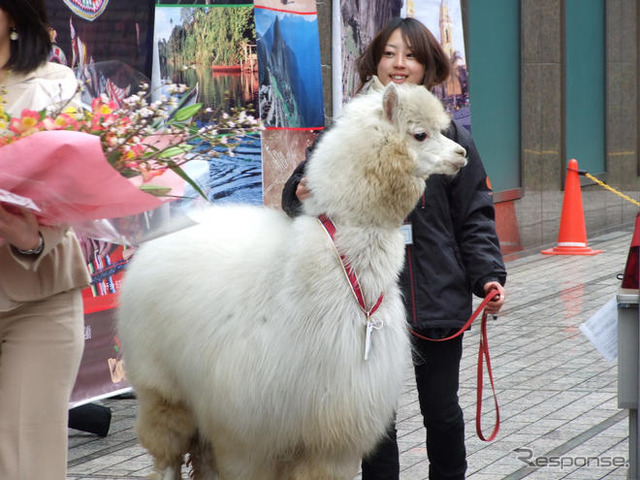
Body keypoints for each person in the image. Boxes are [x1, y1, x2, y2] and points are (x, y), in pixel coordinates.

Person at [281, 17, 507, 480]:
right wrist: (297, 192)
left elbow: (475, 215)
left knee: (441, 410)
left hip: (436, 296)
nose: (399, 64)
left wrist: (488, 275)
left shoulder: (452, 139)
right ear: (376, 61)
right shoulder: (350, 130)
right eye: (389, 53)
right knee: (375, 417)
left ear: (427, 67)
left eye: (411, 55)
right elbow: (298, 188)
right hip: (366, 299)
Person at [0, 1, 91, 478]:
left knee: (27, 461)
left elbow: (76, 185)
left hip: (39, 298)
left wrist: (31, 238)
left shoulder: (55, 84)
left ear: (13, 16)